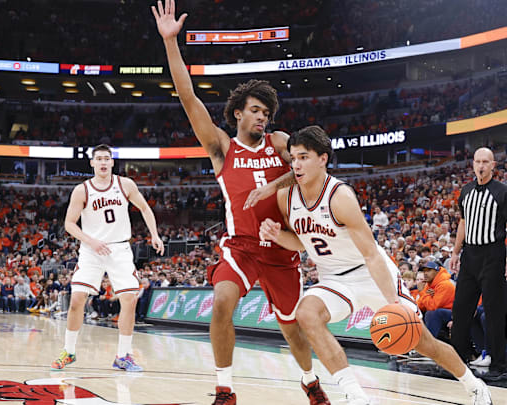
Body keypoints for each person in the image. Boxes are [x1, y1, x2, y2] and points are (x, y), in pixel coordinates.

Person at [152, 2, 329, 404]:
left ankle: (309, 381)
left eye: (266, 112)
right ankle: (225, 389)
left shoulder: (281, 142)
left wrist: (273, 187)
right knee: (222, 303)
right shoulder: (220, 146)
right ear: (237, 113)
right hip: (241, 247)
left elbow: (311, 168)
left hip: (282, 247)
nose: (262, 118)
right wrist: (170, 43)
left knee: (292, 329)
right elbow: (187, 96)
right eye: (255, 111)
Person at [259, 126, 492, 405]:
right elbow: (303, 242)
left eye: (303, 157)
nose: (296, 164)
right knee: (307, 314)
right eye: (293, 158)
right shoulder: (286, 198)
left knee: (421, 341)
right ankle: (355, 396)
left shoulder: (340, 197)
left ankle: (473, 384)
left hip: (369, 272)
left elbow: (371, 254)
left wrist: (393, 303)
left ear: (322, 158)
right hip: (333, 279)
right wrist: (276, 235)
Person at [50, 144, 164, 372]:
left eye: (106, 158)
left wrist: (155, 234)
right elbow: (69, 224)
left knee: (130, 299)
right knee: (76, 299)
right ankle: (69, 351)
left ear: (112, 162)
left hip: (119, 249)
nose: (103, 162)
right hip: (92, 250)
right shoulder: (82, 190)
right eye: (98, 159)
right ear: (92, 163)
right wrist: (90, 241)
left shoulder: (125, 184)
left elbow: (144, 208)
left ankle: (123, 355)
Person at [449, 147, 507, 380]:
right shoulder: (466, 191)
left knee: (494, 312)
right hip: (470, 255)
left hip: (493, 254)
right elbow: (463, 223)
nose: (481, 165)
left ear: (493, 165)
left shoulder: (503, 191)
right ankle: (457, 362)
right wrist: (456, 252)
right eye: (478, 161)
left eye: (485, 161)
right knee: (460, 311)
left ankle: (500, 367)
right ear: (473, 164)